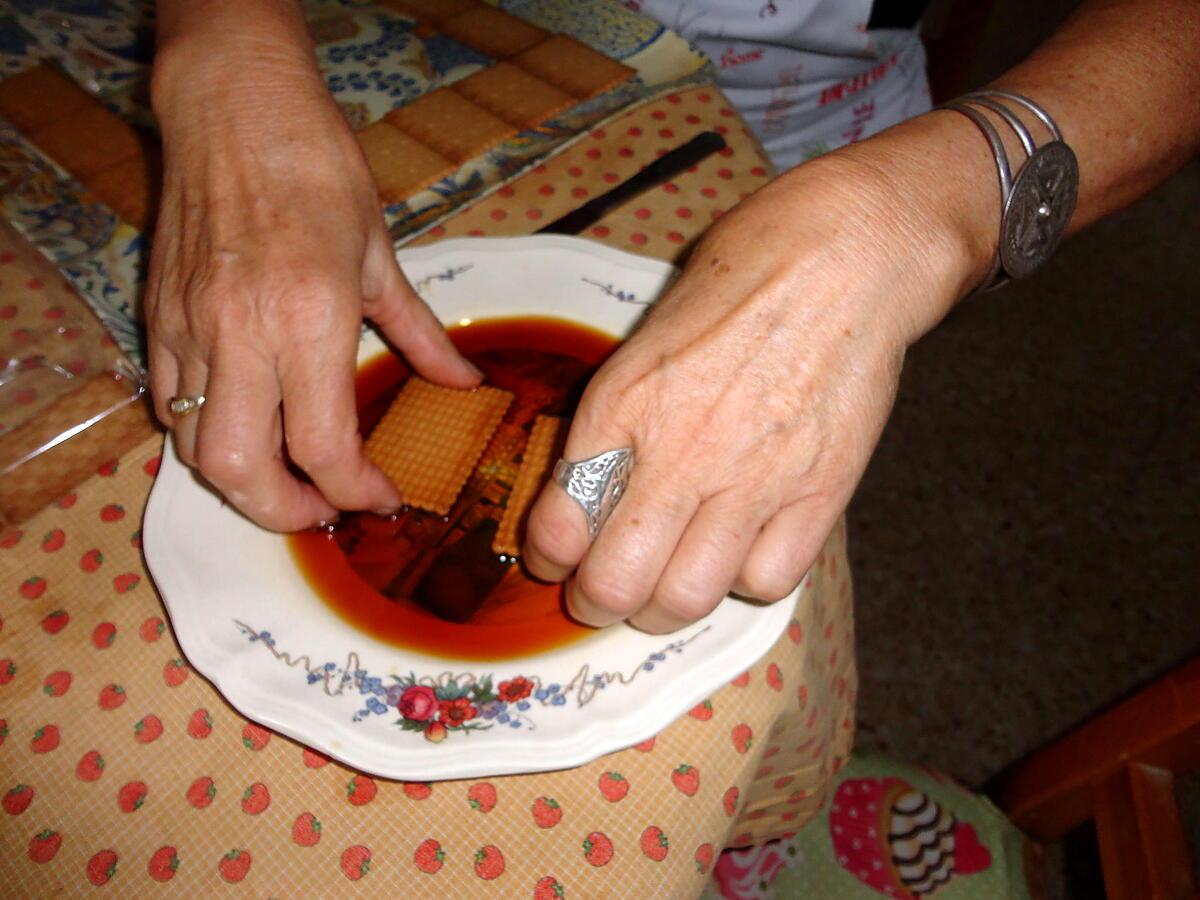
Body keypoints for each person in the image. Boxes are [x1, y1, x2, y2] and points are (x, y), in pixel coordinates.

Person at [147, 0, 1199, 632]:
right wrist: (224, 53)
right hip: (438, 65)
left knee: (726, 580)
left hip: (825, 131)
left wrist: (924, 206)